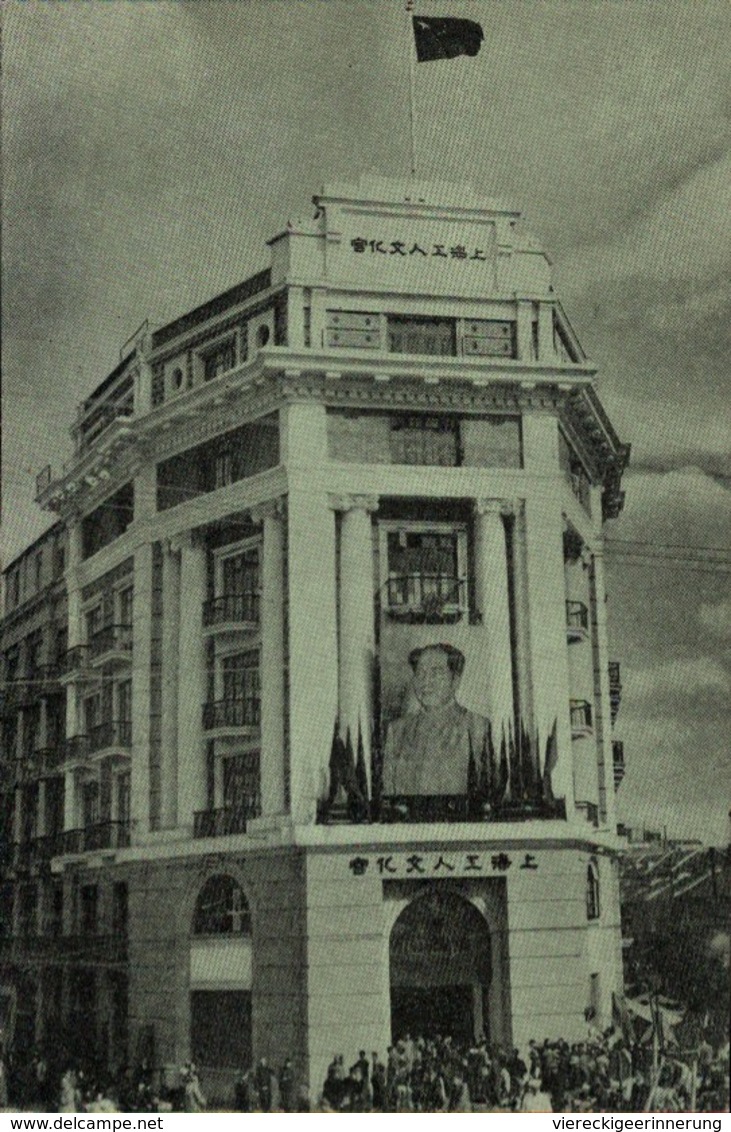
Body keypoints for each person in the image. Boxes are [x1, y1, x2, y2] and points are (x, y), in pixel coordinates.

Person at [382, 644, 489, 796]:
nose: (426, 681)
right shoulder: (397, 731)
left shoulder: (477, 727)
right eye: (420, 673)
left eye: (435, 673)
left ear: (455, 680)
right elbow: (389, 794)